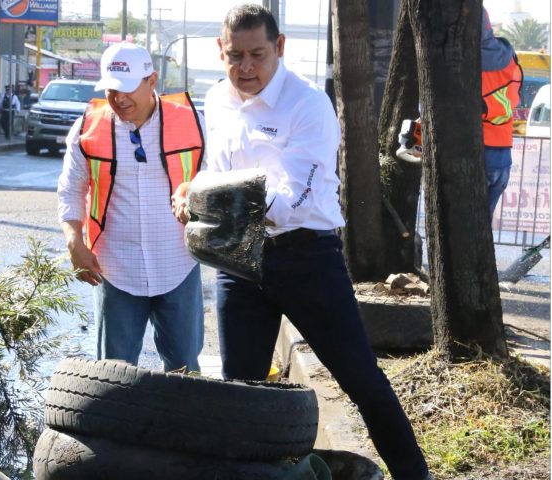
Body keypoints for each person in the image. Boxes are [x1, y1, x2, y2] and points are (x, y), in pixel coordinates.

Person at [172, 5, 431, 479]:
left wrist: (213, 196)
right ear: (219, 51)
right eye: (235, 56)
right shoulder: (216, 98)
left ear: (280, 47)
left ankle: (415, 474)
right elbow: (217, 170)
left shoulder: (308, 104)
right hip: (239, 261)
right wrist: (193, 193)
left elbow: (292, 201)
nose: (245, 68)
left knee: (361, 380)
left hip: (306, 257)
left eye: (257, 55)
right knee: (242, 394)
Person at [58, 42, 206, 372]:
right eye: (111, 90)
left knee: (185, 370)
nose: (119, 99)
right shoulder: (87, 128)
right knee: (114, 373)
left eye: (127, 89)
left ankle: (180, 424)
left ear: (152, 81)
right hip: (115, 269)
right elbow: (70, 190)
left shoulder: (192, 122)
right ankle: (117, 426)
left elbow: (214, 177)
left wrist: (191, 190)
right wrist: (74, 242)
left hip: (177, 264)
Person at [481, 7, 523, 220]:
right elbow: (515, 98)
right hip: (502, 154)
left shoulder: (462, 58)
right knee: (481, 230)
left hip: (477, 149)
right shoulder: (508, 56)